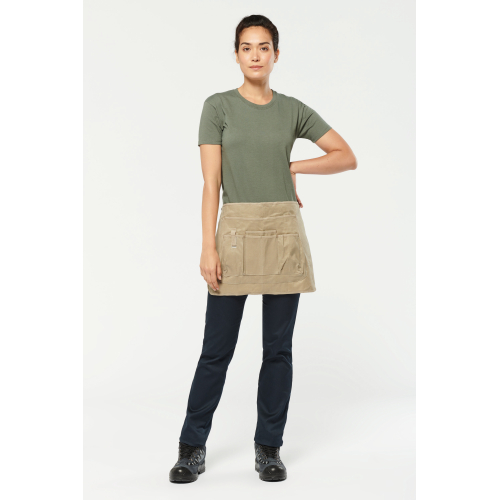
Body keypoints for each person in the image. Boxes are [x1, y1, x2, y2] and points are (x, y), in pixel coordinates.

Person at [169, 14, 357, 484]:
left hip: (282, 235)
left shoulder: (292, 109)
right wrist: (208, 246)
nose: (255, 55)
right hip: (233, 235)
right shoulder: (218, 106)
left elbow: (345, 156)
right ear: (236, 55)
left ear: (276, 54)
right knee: (216, 350)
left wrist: (293, 167)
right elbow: (211, 183)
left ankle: (268, 448)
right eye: (247, 47)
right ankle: (191, 448)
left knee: (277, 350)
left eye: (264, 47)